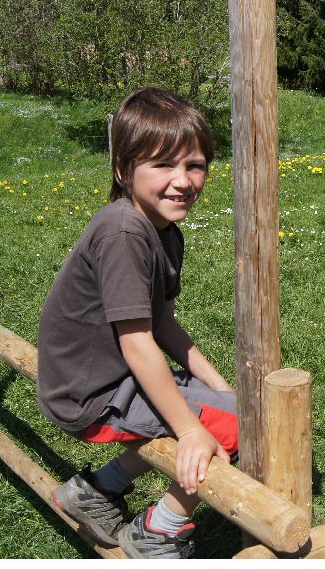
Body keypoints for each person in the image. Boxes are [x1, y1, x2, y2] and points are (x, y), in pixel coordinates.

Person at [37, 88, 237, 559]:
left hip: (104, 380)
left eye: (195, 165)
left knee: (235, 410)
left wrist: (222, 388)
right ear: (123, 170)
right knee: (239, 431)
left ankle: (97, 491)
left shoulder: (165, 233)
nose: (183, 180)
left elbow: (164, 324)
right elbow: (138, 343)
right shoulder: (124, 232)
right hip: (91, 396)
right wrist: (191, 430)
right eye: (163, 164)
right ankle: (158, 531)